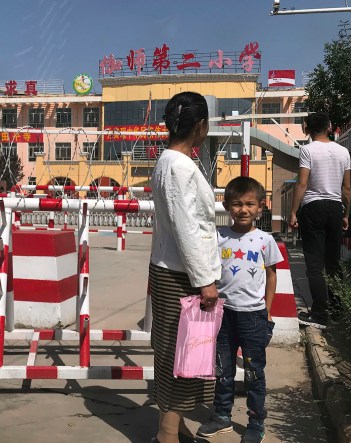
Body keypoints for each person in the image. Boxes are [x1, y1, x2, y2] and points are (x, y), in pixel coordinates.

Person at [149, 91, 221, 443]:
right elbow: (186, 228)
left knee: (172, 353)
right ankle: (166, 434)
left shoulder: (168, 161)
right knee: (183, 358)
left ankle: (174, 426)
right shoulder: (179, 166)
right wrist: (205, 280)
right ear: (201, 125)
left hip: (171, 270)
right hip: (182, 276)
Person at [196, 177, 282, 443]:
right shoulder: (218, 237)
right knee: (223, 369)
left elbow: (271, 276)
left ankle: (256, 422)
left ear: (260, 207)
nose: (243, 209)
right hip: (223, 314)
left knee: (254, 371)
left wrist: (267, 312)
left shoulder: (265, 240)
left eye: (249, 204)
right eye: (236, 204)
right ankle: (222, 415)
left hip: (254, 316)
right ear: (226, 206)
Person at [288, 112, 351, 330]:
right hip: (335, 207)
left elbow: (302, 184)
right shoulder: (343, 151)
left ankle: (319, 314)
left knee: (315, 264)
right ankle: (337, 310)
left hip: (313, 207)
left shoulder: (307, 150)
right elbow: (346, 188)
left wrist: (294, 211)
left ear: (306, 127)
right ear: (330, 126)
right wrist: (345, 214)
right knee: (332, 261)